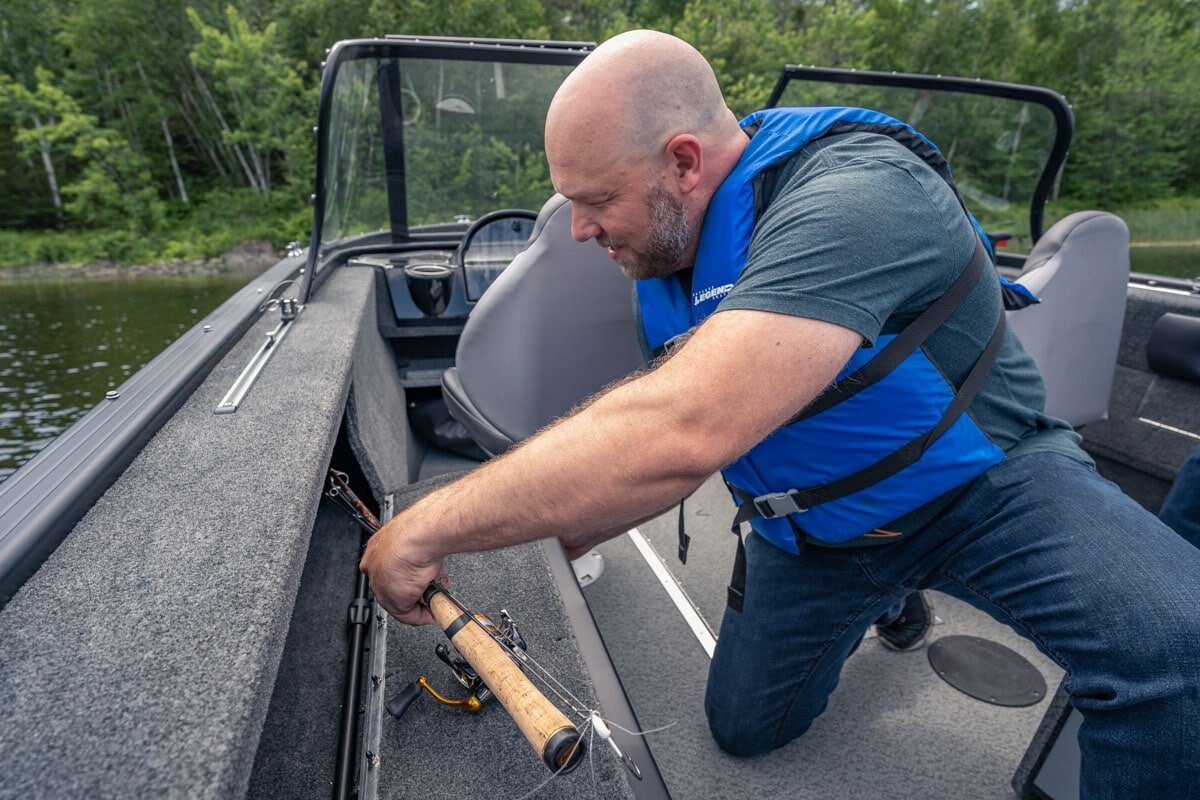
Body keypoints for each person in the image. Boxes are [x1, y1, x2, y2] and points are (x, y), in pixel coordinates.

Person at [361, 30, 1200, 797]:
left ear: (684, 162)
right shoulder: (668, 239)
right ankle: (886, 598)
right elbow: (665, 449)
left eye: (595, 200)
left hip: (986, 494)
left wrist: (425, 529)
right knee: (744, 732)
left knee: (1177, 650)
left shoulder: (860, 195)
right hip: (814, 537)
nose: (578, 230)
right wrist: (568, 522)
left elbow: (682, 428)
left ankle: (910, 584)